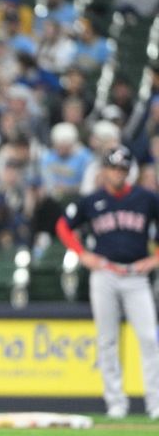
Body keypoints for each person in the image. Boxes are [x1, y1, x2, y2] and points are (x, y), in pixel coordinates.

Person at [56, 146, 159, 420]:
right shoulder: (92, 200)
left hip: (136, 274)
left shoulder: (146, 198)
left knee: (149, 338)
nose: (118, 173)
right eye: (114, 168)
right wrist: (82, 255)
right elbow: (63, 226)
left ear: (129, 171)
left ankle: (155, 403)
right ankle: (116, 403)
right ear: (105, 170)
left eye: (123, 169)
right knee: (107, 340)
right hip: (105, 273)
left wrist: (155, 259)